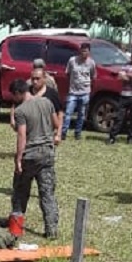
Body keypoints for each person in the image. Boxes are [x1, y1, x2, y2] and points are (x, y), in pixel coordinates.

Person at [10, 79, 60, 239]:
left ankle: (16, 226)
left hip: (30, 155)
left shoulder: (20, 111)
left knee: (20, 191)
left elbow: (22, 136)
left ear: (19, 93)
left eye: (14, 96)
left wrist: (18, 159)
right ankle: (51, 229)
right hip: (47, 153)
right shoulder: (47, 102)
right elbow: (57, 124)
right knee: (47, 194)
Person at [11, 68, 63, 137]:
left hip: (46, 133)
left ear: (44, 78)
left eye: (38, 78)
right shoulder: (27, 92)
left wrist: (58, 134)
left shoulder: (52, 94)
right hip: (29, 132)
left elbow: (60, 113)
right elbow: (15, 104)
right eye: (33, 79)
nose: (35, 81)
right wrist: (12, 120)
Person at [108, 50, 132, 145]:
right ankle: (112, 137)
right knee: (119, 118)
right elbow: (120, 77)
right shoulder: (125, 66)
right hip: (125, 96)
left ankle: (130, 138)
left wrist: (128, 75)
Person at [62, 42, 96, 140]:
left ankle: (78, 133)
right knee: (68, 112)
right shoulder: (72, 60)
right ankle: (64, 132)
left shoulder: (91, 63)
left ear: (89, 52)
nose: (83, 53)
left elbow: (93, 76)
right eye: (82, 51)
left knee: (81, 114)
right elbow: (67, 74)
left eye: (85, 51)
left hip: (85, 92)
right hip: (73, 92)